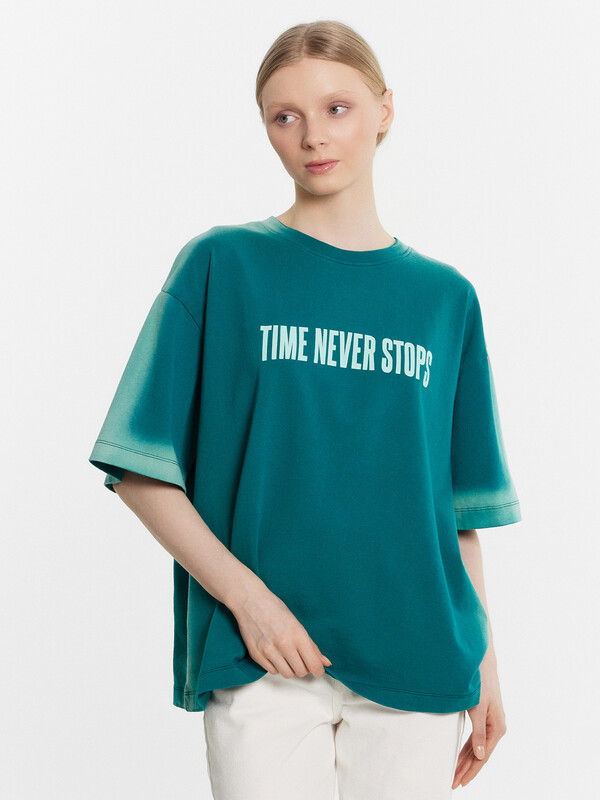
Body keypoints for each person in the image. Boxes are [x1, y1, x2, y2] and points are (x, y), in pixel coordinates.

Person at [88, 19, 522, 800]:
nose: (313, 136)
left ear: (385, 109)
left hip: (420, 658)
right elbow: (141, 471)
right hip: (263, 659)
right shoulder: (223, 265)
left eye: (336, 108)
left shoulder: (445, 300)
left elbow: (455, 513)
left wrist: (485, 663)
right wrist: (249, 603)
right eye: (284, 116)